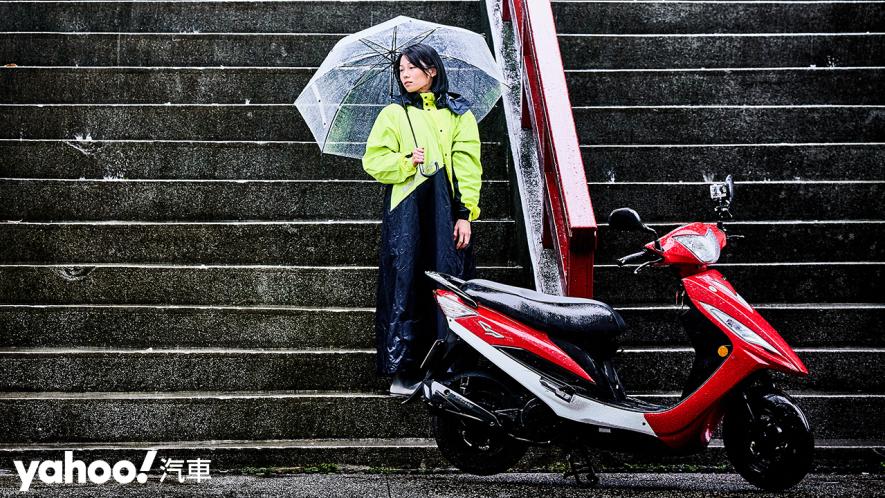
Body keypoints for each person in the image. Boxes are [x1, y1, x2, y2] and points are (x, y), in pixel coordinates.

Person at [362, 43, 483, 395]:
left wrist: (465, 215)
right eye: (401, 70)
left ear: (431, 70)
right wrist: (405, 161)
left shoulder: (459, 113)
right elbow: (373, 160)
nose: (405, 74)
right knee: (405, 282)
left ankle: (449, 367)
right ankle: (404, 367)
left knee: (448, 281)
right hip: (406, 210)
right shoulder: (393, 113)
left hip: (445, 208)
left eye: (412, 68)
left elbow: (467, 165)